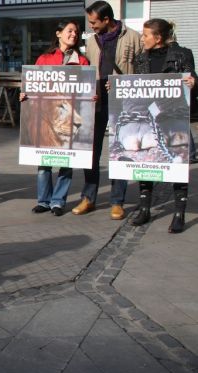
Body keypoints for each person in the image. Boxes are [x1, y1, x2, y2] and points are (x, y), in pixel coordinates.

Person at [72, 0, 142, 220]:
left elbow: (143, 69)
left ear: (106, 20)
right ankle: (88, 198)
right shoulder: (92, 41)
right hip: (96, 101)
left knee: (119, 152)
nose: (91, 26)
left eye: (94, 22)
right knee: (91, 152)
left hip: (122, 102)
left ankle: (117, 201)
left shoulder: (132, 37)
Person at [128, 19, 195, 233]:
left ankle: (179, 213)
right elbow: (136, 87)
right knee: (145, 164)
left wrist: (194, 82)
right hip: (149, 119)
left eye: (145, 35)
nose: (142, 38)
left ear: (157, 38)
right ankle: (145, 209)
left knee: (177, 165)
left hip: (174, 119)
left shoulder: (182, 54)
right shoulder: (140, 59)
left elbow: (191, 79)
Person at [20, 21, 90, 216]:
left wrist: (92, 95)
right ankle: (43, 200)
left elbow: (87, 88)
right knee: (44, 164)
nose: (74, 34)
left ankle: (58, 201)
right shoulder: (44, 59)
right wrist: (24, 94)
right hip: (47, 118)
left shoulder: (82, 61)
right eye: (70, 31)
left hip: (68, 117)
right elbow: (31, 86)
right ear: (58, 34)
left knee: (66, 164)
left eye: (76, 32)